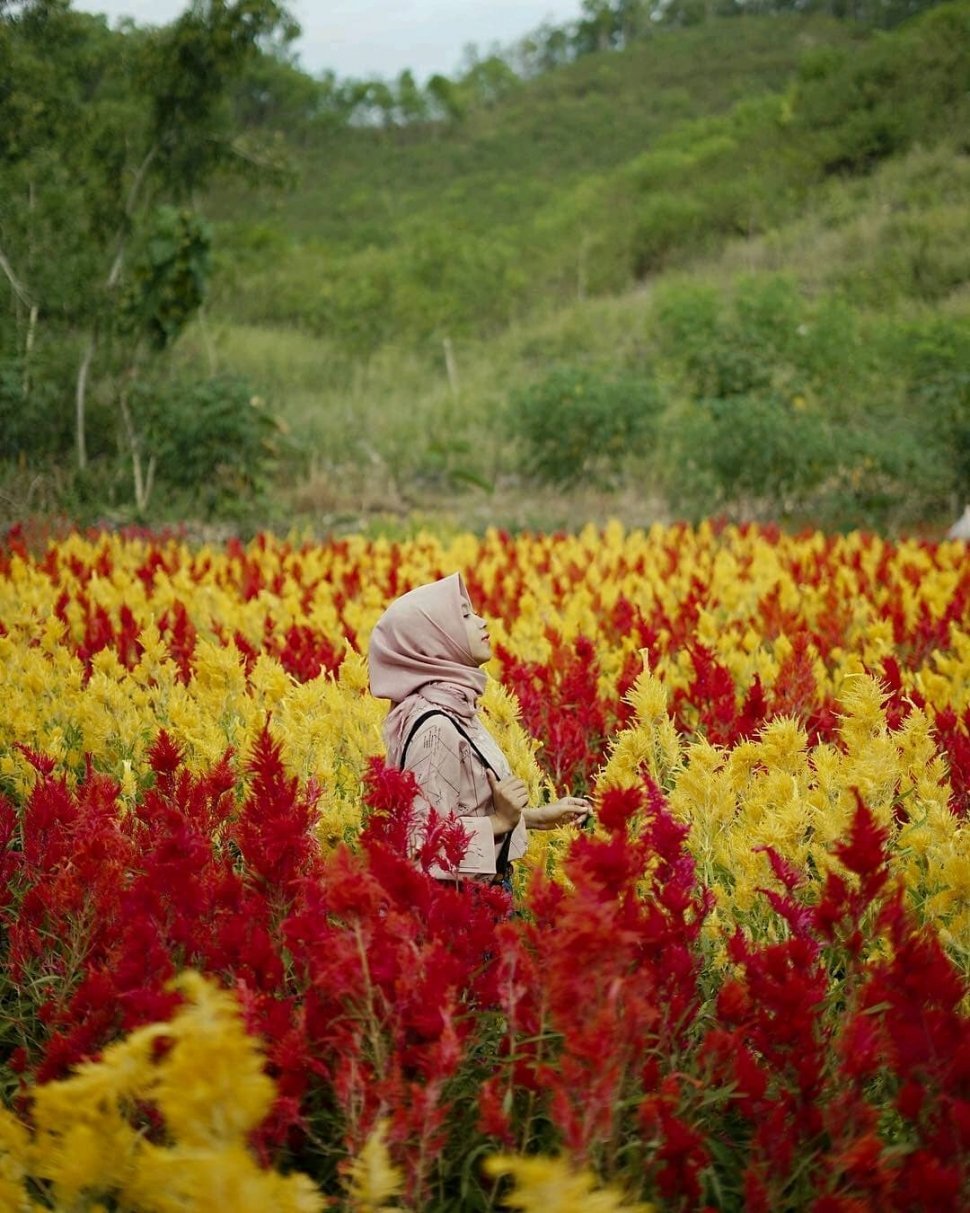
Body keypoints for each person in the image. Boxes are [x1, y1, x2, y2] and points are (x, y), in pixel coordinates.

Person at [368, 571, 591, 886]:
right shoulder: (436, 728)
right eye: (464, 615)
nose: (483, 621)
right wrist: (499, 821)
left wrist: (536, 819)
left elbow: (460, 812)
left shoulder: (456, 707)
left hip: (482, 900)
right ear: (435, 640)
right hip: (465, 915)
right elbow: (420, 849)